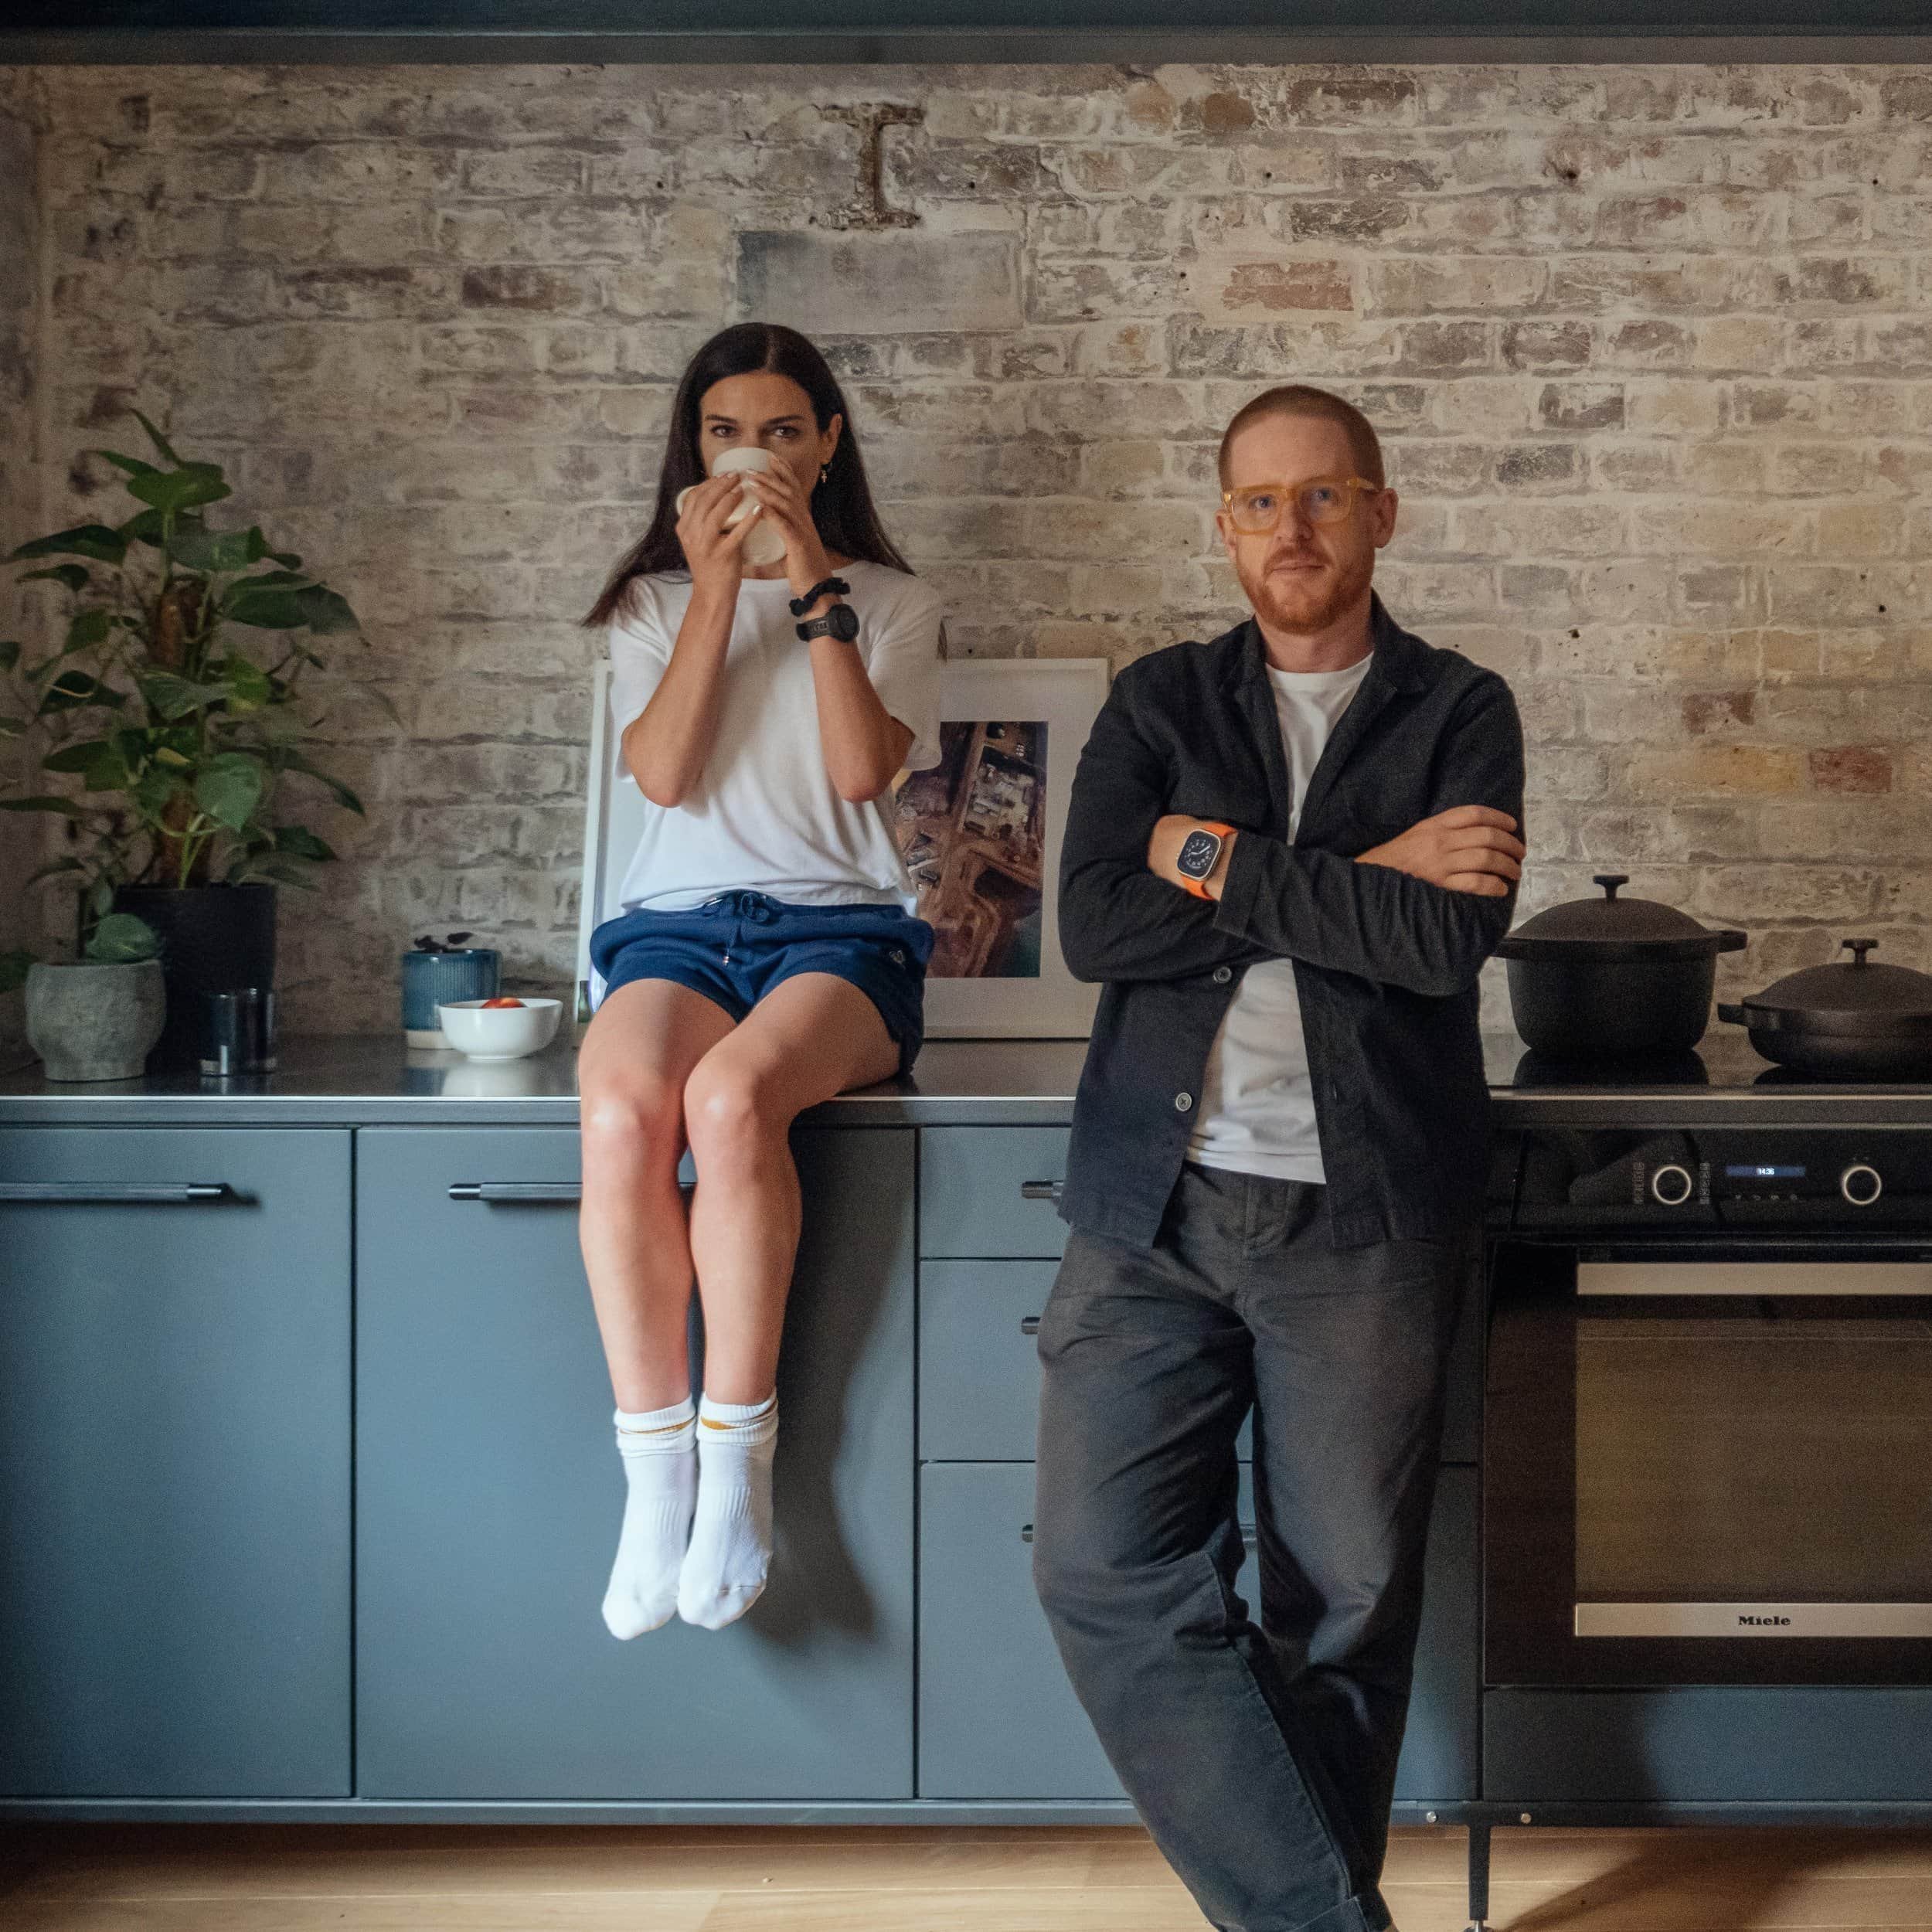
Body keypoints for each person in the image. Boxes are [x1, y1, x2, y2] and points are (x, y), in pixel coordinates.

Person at [1031, 384, 1526, 1932]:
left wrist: (1217, 859)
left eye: (1321, 496)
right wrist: (1347, 874)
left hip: (1363, 1213)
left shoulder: (1459, 706)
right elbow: (1096, 924)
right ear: (1222, 524)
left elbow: (1439, 940)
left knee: (1348, 1601)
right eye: (1258, 500)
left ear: (1380, 510)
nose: (1289, 528)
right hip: (1147, 1209)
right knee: (1096, 1564)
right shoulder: (1158, 700)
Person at [575, 322, 944, 1638]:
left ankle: (738, 1462)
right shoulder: (649, 606)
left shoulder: (892, 602)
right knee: (621, 1111)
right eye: (729, 434)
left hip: (838, 936)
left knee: (732, 1102)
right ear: (693, 454)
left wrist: (810, 585)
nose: (757, 458)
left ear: (828, 445)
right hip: (675, 931)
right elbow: (665, 777)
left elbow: (860, 775)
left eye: (785, 433)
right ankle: (653, 1473)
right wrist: (715, 584)